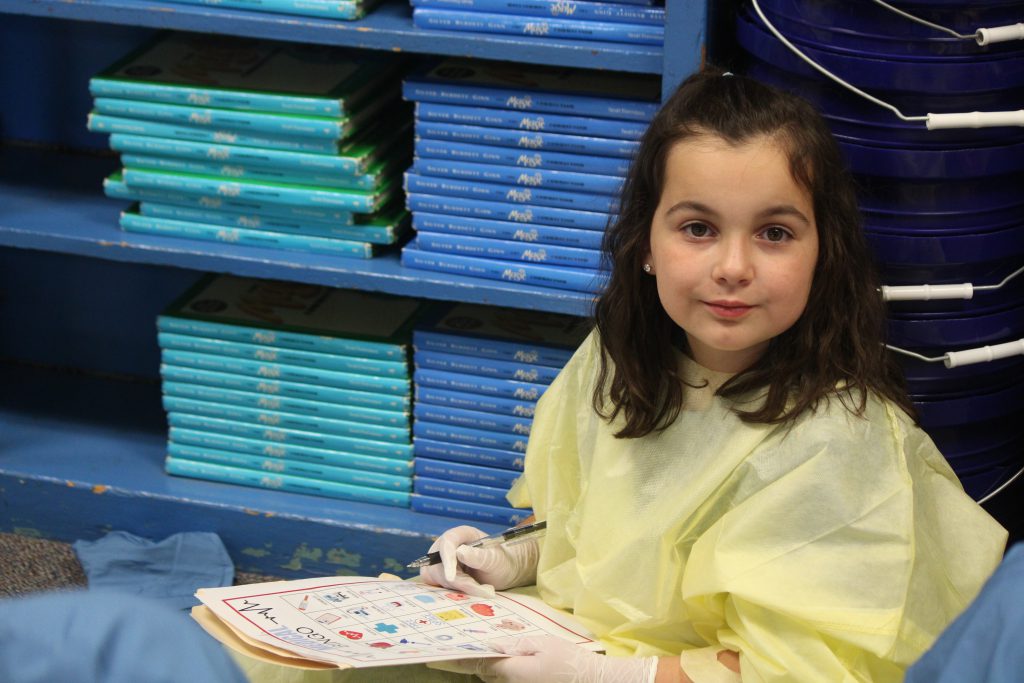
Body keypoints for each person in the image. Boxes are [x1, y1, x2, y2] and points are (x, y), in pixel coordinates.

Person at [419, 68, 1009, 683]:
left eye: (774, 233)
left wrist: (604, 676)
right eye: (698, 229)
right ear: (645, 242)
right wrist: (514, 557)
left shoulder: (842, 443)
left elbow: (798, 668)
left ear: (823, 253)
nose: (733, 267)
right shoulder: (615, 360)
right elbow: (603, 533)